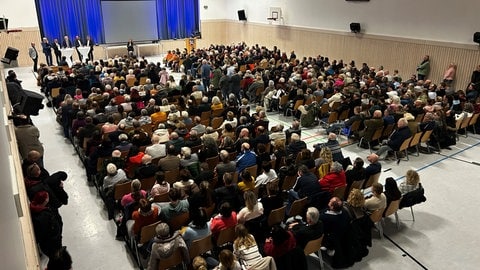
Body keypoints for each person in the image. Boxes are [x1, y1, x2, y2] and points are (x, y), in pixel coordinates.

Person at [29, 191, 63, 257]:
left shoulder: (34, 207)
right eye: (46, 198)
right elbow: (44, 231)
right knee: (54, 255)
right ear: (43, 201)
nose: (48, 198)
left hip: (48, 241)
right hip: (51, 242)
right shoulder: (44, 216)